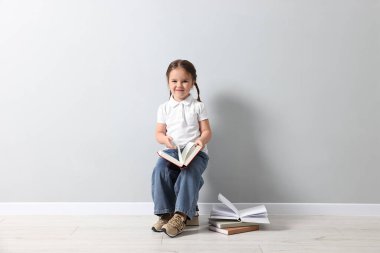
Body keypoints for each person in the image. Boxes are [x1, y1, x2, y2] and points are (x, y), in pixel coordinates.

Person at [151, 59, 212, 238]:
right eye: (174, 81)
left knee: (189, 173)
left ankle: (181, 216)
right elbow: (159, 133)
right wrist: (165, 139)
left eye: (184, 81)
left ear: (193, 82)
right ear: (168, 83)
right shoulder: (164, 108)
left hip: (196, 153)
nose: (179, 85)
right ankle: (166, 213)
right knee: (160, 170)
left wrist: (201, 140)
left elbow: (207, 131)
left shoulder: (198, 106)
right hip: (172, 152)